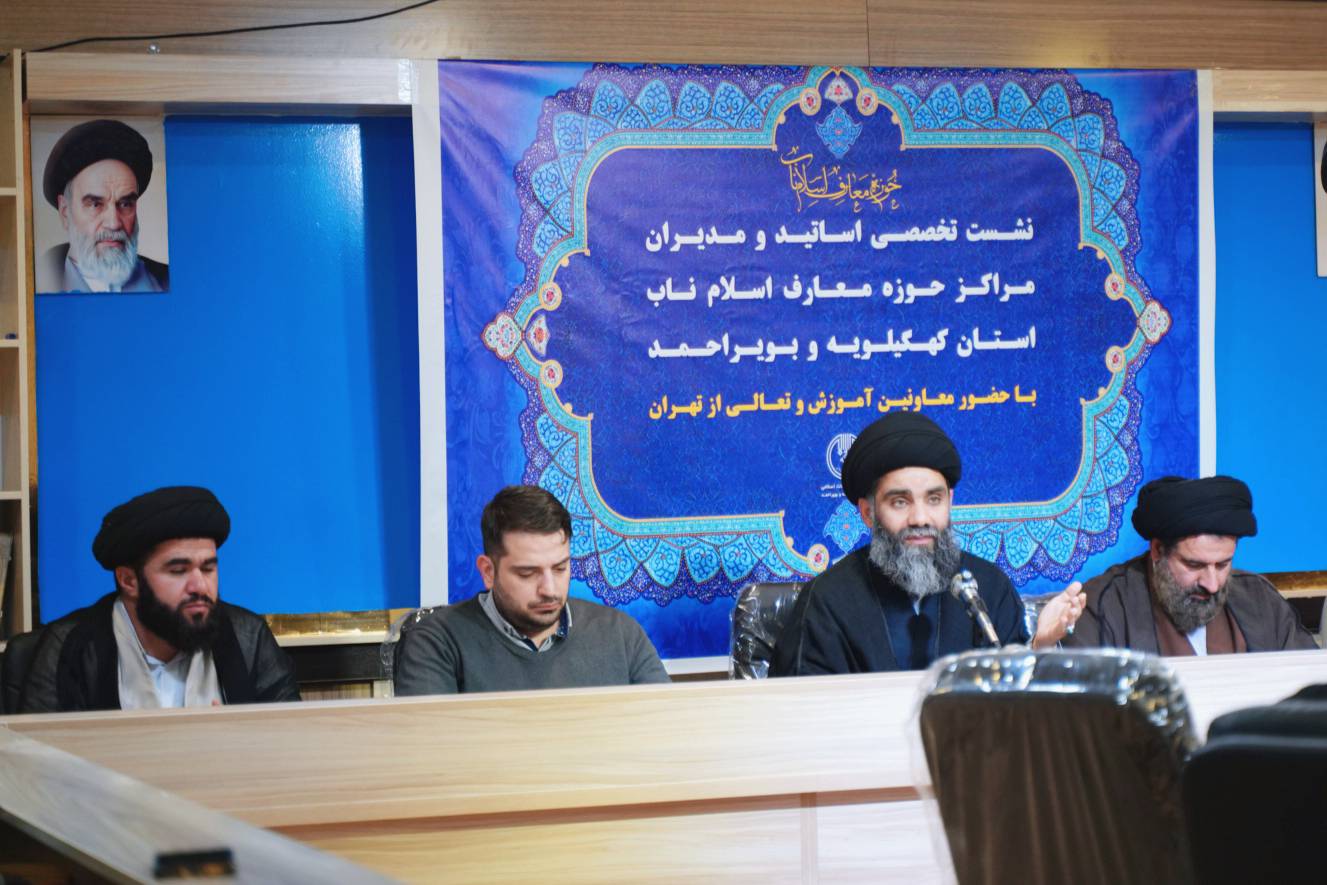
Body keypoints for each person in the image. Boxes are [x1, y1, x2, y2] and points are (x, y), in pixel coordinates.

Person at [771, 412, 1083, 676]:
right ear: (868, 513)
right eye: (899, 502)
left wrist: (1039, 646)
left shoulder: (988, 589)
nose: (920, 518)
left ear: (950, 501)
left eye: (934, 499)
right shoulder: (826, 602)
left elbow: (1013, 708)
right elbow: (799, 711)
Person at [18, 486, 299, 712]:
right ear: (129, 580)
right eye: (178, 570)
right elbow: (40, 758)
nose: (199, 586)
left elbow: (288, 742)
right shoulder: (70, 648)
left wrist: (237, 742)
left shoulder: (248, 638)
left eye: (208, 568)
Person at [394, 485, 670, 694]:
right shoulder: (437, 642)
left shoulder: (619, 634)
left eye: (560, 568)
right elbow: (432, 747)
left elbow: (668, 730)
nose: (549, 589)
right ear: (488, 571)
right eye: (527, 573)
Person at [1064, 475, 1317, 655]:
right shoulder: (1102, 607)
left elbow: (1309, 690)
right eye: (1195, 565)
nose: (1212, 584)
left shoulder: (1260, 600)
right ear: (1158, 550)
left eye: (1223, 564)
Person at [37, 119, 169, 293]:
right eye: (95, 204)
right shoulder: (38, 283)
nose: (114, 224)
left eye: (125, 204)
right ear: (65, 211)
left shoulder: (167, 282)